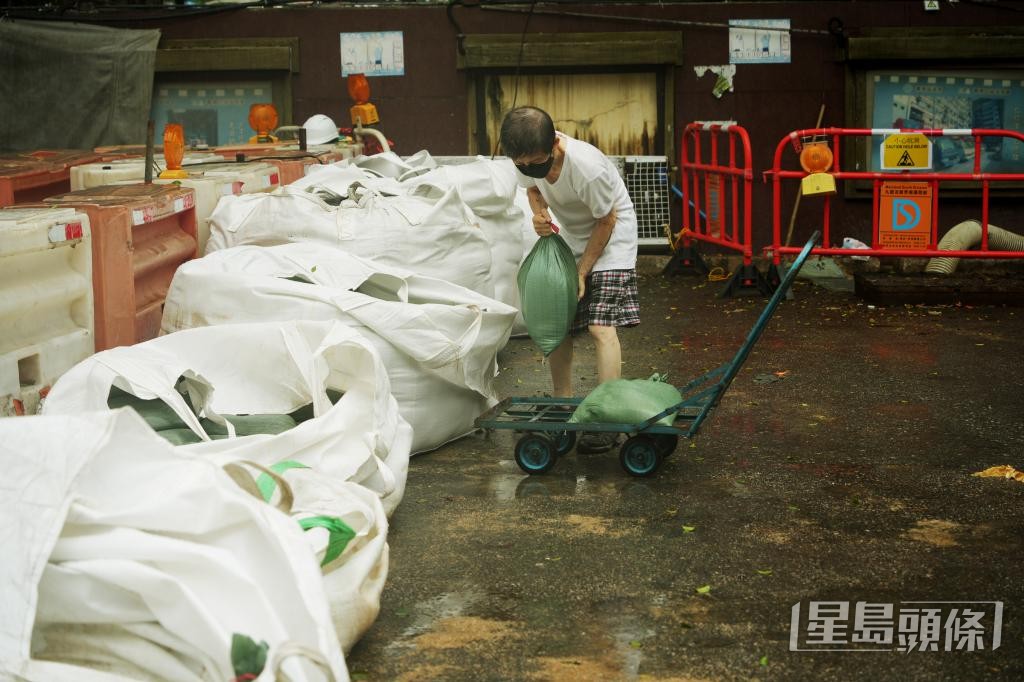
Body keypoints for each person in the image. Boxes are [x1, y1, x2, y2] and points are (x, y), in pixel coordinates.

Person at [500, 105, 640, 453]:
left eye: (536, 161)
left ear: (555, 146)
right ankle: (563, 405)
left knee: (599, 325)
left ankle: (607, 416)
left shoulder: (586, 168)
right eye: (522, 164)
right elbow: (532, 190)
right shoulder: (525, 161)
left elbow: (606, 220)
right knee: (558, 318)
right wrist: (539, 215)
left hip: (612, 237)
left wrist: (582, 273)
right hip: (573, 238)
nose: (529, 168)